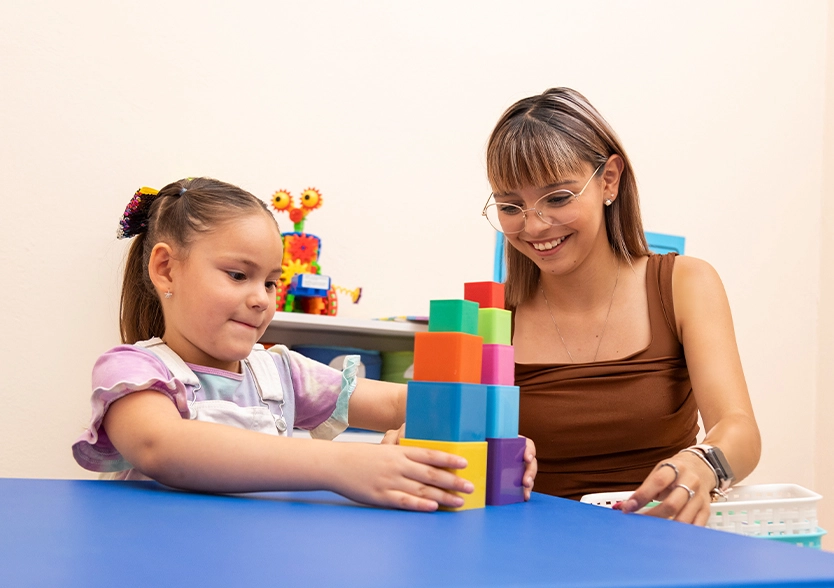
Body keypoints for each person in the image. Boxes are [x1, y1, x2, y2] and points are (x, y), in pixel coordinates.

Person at [73, 177, 537, 510]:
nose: (261, 299)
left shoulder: (281, 373)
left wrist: (489, 434)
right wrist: (343, 465)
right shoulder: (132, 372)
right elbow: (163, 446)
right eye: (238, 275)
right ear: (166, 269)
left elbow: (400, 402)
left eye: (270, 282)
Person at [481, 88, 760, 525]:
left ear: (609, 180)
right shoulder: (491, 316)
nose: (533, 225)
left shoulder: (685, 284)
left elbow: (738, 427)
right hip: (530, 549)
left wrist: (704, 463)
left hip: (662, 544)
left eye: (558, 197)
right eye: (511, 206)